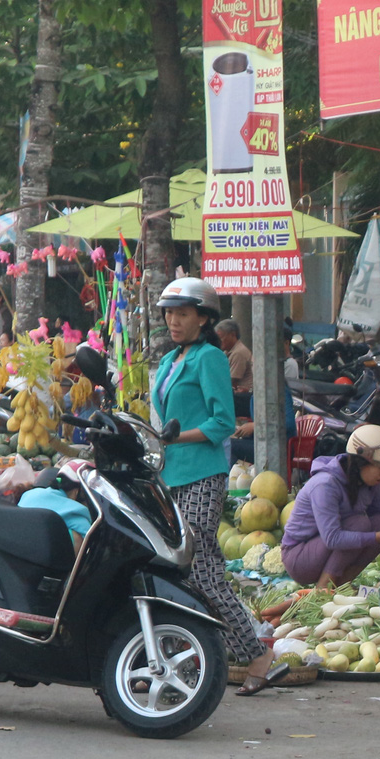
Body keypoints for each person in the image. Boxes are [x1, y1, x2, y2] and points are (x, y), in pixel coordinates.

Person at [151, 277, 276, 697]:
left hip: (204, 474)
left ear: (204, 318)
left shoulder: (209, 358)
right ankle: (204, 653)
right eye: (170, 313)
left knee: (203, 570)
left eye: (183, 314)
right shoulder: (171, 361)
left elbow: (223, 423)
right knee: (177, 572)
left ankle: (257, 653)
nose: (174, 321)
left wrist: (176, 436)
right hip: (169, 476)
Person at [280, 425, 380, 588]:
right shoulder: (325, 484)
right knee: (360, 524)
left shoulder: (371, 482)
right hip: (299, 558)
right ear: (360, 462)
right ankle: (324, 587)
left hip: (325, 551)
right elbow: (332, 539)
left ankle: (341, 586)